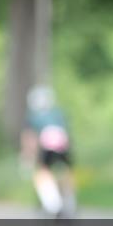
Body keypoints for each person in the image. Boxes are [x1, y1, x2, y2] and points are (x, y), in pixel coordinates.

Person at [21, 85, 76, 218]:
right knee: (65, 172)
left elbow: (30, 139)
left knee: (43, 172)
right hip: (63, 145)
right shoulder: (58, 113)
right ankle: (69, 200)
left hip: (46, 144)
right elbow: (66, 135)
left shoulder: (33, 117)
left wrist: (27, 157)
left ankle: (52, 203)